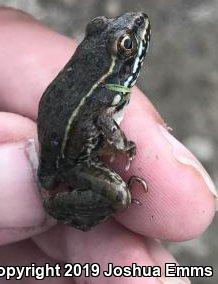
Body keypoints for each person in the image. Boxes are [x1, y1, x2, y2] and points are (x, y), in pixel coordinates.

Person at [0, 7, 216, 284]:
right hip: (72, 164)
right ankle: (63, 211)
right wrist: (123, 147)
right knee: (120, 196)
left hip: (55, 138)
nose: (136, 23)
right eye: (127, 45)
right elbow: (108, 128)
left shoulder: (103, 87)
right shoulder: (107, 96)